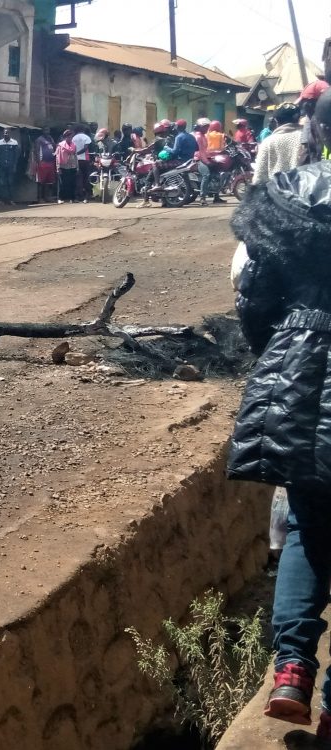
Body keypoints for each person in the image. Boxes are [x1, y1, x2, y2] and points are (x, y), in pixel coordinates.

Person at [227, 88, 331, 744]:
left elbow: (251, 298)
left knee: (308, 527)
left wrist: (284, 353)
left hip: (301, 375)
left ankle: (291, 669)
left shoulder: (287, 195)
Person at [252, 103, 304, 185]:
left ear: (276, 120)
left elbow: (259, 178)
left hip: (276, 194)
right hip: (303, 192)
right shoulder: (306, 138)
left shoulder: (268, 142)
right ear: (298, 119)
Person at [0, 128, 19, 205]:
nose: (6, 134)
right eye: (4, 133)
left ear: (10, 134)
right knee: (2, 182)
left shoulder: (14, 143)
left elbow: (16, 155)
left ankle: (10, 199)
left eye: (7, 133)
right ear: (3, 134)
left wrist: (14, 165)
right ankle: (2, 200)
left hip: (10, 166)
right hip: (1, 166)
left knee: (10, 182)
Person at [33, 130, 57, 203]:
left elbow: (54, 147)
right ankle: (40, 198)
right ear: (43, 131)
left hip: (51, 163)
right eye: (46, 130)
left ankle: (47, 197)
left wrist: (52, 140)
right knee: (41, 182)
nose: (48, 131)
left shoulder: (50, 139)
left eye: (49, 130)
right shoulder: (39, 140)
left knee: (49, 182)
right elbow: (36, 151)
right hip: (42, 163)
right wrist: (38, 162)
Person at [71, 124, 93, 203]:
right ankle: (86, 196)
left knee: (78, 178)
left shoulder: (73, 138)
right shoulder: (86, 137)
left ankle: (78, 196)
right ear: (83, 130)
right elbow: (86, 148)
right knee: (86, 178)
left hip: (76, 160)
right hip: (85, 159)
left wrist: (76, 153)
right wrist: (79, 153)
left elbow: (72, 148)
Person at [55, 130, 78, 203]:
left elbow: (75, 156)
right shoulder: (60, 145)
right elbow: (57, 157)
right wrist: (58, 167)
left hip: (72, 166)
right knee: (62, 183)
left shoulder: (74, 145)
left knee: (72, 183)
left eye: (71, 136)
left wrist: (77, 166)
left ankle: (72, 198)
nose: (70, 138)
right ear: (65, 137)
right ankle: (60, 198)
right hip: (63, 166)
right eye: (69, 136)